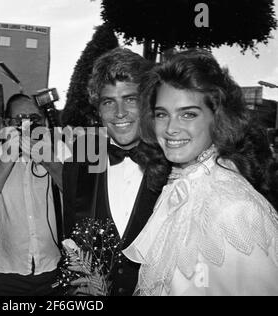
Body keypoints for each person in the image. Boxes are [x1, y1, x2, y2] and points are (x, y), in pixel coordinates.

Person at [124, 49, 278, 296]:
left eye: (188, 114)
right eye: (162, 114)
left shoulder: (235, 209)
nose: (171, 128)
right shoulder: (182, 187)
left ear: (217, 119)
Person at [62, 48, 169, 296]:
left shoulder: (173, 160)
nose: (119, 113)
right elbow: (71, 239)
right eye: (109, 102)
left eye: (130, 99)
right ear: (98, 110)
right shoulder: (82, 156)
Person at [0, 94, 64, 296]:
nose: (27, 124)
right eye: (20, 119)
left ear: (42, 121)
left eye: (33, 118)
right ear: (8, 123)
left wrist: (49, 162)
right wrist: (9, 155)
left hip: (53, 267)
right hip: (7, 271)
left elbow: (78, 196)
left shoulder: (57, 149)